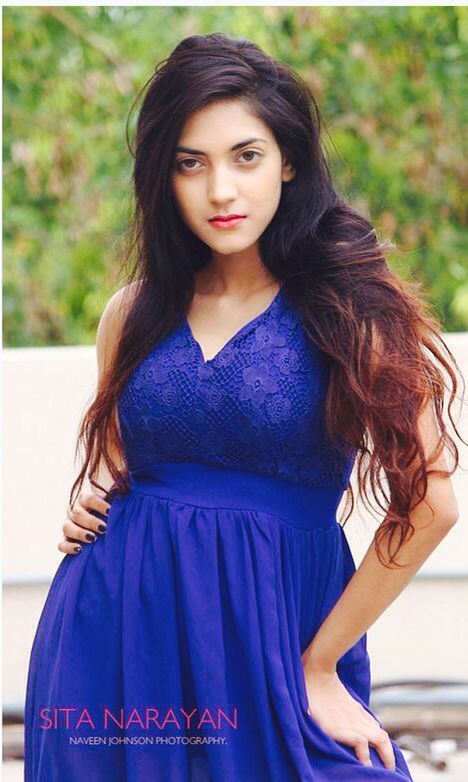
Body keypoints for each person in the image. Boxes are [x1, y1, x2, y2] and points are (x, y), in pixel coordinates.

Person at [24, 32, 464, 781]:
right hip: (115, 642)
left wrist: (320, 664)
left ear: (288, 161)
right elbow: (120, 466)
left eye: (246, 156)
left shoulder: (353, 310)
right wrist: (94, 492)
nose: (220, 191)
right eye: (190, 163)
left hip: (276, 645)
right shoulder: (131, 314)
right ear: (163, 177)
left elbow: (431, 502)